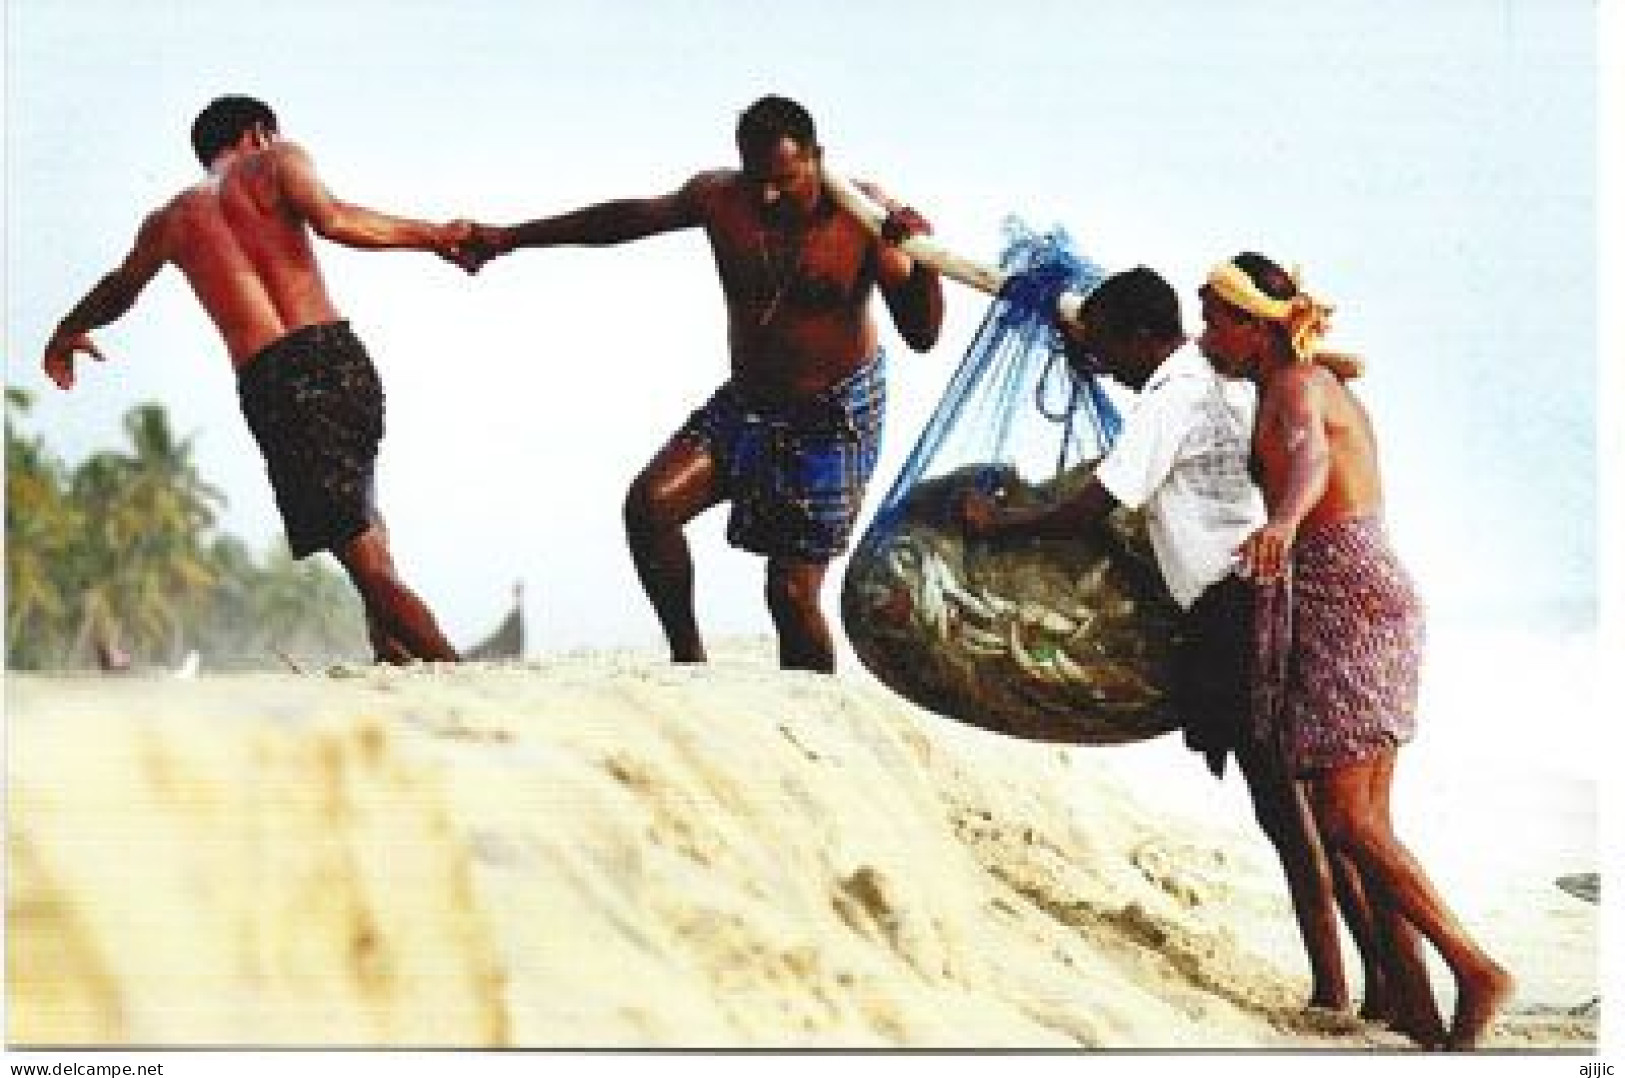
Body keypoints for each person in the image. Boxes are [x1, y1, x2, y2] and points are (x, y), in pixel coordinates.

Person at [957, 266, 1378, 1026]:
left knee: (1283, 808)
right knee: (1309, 800)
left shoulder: (1171, 392)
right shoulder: (1224, 372)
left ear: (1137, 337)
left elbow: (1097, 504)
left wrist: (1002, 524)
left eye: (1108, 351)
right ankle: (1379, 982)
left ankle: (1335, 989)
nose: (1106, 369)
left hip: (1230, 609)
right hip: (1272, 598)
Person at [458, 95, 944, 672]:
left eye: (784, 181)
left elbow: (923, 334)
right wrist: (510, 238)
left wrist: (923, 259)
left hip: (832, 416)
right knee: (649, 509)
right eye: (758, 179)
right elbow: (621, 221)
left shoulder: (864, 219)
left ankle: (815, 720)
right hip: (750, 401)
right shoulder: (721, 198)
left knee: (790, 594)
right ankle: (689, 663)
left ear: (818, 158)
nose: (769, 195)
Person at [1204, 251, 1514, 1050]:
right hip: (1362, 591)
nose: (1204, 334)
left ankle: (1474, 970)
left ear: (1252, 325)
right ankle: (1411, 1005)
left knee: (1345, 818)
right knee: (1360, 820)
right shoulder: (1303, 378)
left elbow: (1306, 458)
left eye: (1213, 318)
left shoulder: (1298, 388)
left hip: (1350, 596)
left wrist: (1279, 524)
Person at [41, 95, 465, 664]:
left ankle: (452, 673)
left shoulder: (170, 221)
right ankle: (394, 657)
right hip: (341, 357)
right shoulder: (279, 161)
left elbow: (120, 288)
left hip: (276, 380)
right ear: (259, 133)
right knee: (362, 526)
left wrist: (68, 330)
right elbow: (337, 221)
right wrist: (442, 236)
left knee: (364, 563)